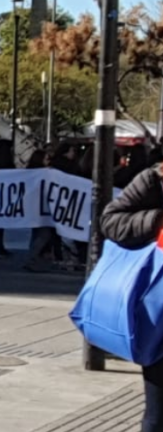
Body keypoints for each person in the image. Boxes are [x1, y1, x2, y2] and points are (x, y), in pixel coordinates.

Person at [98, 163, 163, 432]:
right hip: (160, 317)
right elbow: (110, 221)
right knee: (158, 416)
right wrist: (156, 221)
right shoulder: (155, 179)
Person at [23, 149, 56, 273]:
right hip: (42, 208)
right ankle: (31, 258)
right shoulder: (43, 173)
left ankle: (32, 258)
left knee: (37, 234)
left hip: (36, 208)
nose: (49, 161)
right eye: (47, 158)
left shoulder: (31, 172)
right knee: (44, 234)